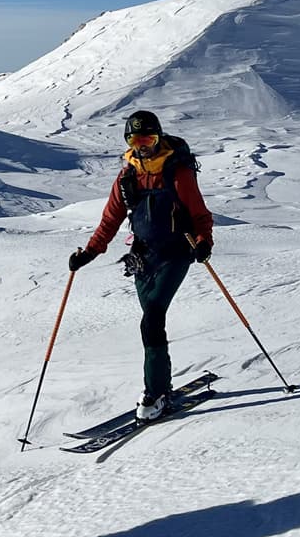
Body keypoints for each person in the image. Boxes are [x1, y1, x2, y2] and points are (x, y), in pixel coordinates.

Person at [68, 110, 215, 421]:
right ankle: (161, 385)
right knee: (151, 323)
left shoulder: (178, 174)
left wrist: (204, 242)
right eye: (136, 139)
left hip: (176, 253)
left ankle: (156, 392)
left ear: (158, 137)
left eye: (148, 138)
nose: (143, 145)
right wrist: (90, 253)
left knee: (151, 319)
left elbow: (200, 215)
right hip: (142, 259)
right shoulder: (127, 177)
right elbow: (110, 220)